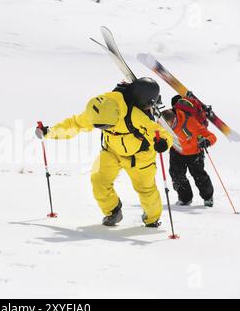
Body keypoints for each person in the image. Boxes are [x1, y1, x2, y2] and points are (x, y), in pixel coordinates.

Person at [35, 78, 173, 227]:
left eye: (107, 126)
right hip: (111, 151)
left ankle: (152, 219)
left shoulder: (134, 115)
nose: (103, 129)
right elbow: (74, 124)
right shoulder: (98, 109)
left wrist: (163, 142)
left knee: (146, 189)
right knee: (98, 180)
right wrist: (49, 132)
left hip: (139, 156)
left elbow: (159, 132)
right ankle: (113, 211)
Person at [161, 95, 217, 207]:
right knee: (176, 175)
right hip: (177, 151)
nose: (166, 128)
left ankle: (208, 197)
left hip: (195, 152)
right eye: (164, 125)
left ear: (174, 120)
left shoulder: (190, 122)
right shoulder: (162, 121)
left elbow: (212, 136)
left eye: (169, 125)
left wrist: (207, 141)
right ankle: (185, 199)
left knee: (199, 176)